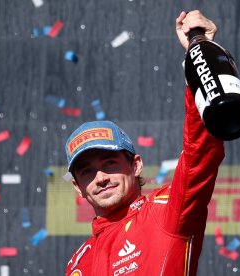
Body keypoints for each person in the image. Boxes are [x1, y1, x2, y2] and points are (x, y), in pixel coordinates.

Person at [64, 10, 224, 276]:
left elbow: (200, 155)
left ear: (136, 165)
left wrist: (200, 55)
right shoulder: (77, 263)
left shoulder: (165, 213)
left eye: (110, 163)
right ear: (78, 187)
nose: (100, 177)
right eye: (87, 171)